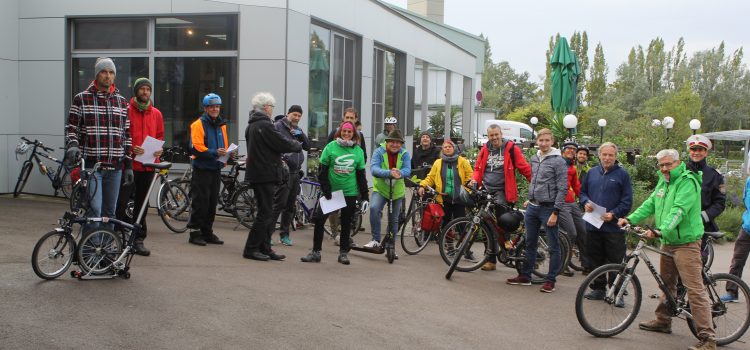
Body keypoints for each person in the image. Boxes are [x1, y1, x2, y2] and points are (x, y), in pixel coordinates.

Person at [619, 149, 715, 350]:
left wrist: (660, 230)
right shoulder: (664, 180)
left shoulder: (687, 181)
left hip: (686, 243)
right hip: (668, 240)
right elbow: (650, 203)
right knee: (666, 283)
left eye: (667, 164)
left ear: (677, 162)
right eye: (661, 165)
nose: (664, 168)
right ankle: (663, 320)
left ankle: (708, 338)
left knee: (694, 289)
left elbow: (678, 210)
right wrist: (630, 219)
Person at [66, 57, 133, 231]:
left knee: (109, 213)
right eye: (104, 72)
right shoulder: (81, 99)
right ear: (97, 74)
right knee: (94, 211)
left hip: (115, 167)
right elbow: (71, 127)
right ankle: (89, 254)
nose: (107, 76)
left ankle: (105, 253)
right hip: (92, 166)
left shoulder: (122, 102)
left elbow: (126, 135)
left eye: (111, 73)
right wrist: (73, 144)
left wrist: (128, 165)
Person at [243, 92, 302, 261]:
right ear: (266, 107)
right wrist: (297, 144)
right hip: (264, 173)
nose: (272, 110)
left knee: (266, 211)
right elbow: (280, 142)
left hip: (259, 172)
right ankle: (252, 248)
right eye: (272, 107)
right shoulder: (264, 125)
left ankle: (264, 247)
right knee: (265, 212)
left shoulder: (252, 125)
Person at [506, 128, 567, 293]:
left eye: (547, 140)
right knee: (530, 243)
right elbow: (534, 180)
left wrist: (556, 211)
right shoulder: (534, 158)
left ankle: (550, 280)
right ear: (537, 142)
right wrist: (530, 196)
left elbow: (562, 188)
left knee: (553, 246)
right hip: (533, 206)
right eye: (541, 140)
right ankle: (526, 275)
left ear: (552, 142)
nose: (544, 143)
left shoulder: (558, 161)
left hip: (549, 208)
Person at [301, 121, 368, 264]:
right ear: (340, 132)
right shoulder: (330, 147)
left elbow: (361, 176)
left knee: (346, 223)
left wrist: (365, 197)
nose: (346, 134)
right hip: (332, 193)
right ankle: (315, 252)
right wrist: (326, 189)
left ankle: (343, 253)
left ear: (353, 134)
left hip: (349, 193)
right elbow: (322, 171)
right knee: (319, 220)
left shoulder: (358, 151)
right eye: (344, 131)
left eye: (349, 132)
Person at [469, 124, 531, 271]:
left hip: (503, 191)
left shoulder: (511, 149)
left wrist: (535, 183)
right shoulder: (485, 149)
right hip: (486, 190)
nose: (494, 138)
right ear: (488, 136)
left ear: (501, 134)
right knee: (486, 224)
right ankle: (490, 259)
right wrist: (474, 180)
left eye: (496, 134)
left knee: (503, 221)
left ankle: (508, 243)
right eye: (491, 135)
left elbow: (524, 167)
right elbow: (478, 168)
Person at [115, 77, 164, 256]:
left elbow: (159, 136)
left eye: (148, 89)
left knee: (142, 205)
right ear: (136, 91)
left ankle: (138, 239)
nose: (145, 92)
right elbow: (120, 135)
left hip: (148, 166)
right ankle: (116, 236)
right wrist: (130, 148)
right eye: (142, 89)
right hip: (130, 164)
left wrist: (159, 150)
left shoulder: (157, 113)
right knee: (121, 203)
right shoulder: (126, 111)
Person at [580, 142, 633, 300]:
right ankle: (598, 288)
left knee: (615, 260)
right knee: (595, 258)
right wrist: (585, 203)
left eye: (611, 155)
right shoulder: (592, 172)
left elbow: (627, 201)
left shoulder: (622, 174)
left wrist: (614, 214)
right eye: (604, 154)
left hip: (613, 226)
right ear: (599, 155)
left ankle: (617, 293)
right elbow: (582, 193)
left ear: (616, 156)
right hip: (593, 224)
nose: (607, 158)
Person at [187, 93, 230, 246]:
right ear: (205, 108)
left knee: (212, 202)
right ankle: (195, 233)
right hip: (202, 168)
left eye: (217, 106)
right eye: (211, 106)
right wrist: (215, 152)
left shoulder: (221, 124)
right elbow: (196, 148)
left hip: (215, 168)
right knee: (201, 201)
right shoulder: (198, 124)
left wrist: (226, 154)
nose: (214, 109)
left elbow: (223, 145)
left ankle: (207, 231)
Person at [326, 107, 367, 245]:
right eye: (347, 117)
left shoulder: (360, 136)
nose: (349, 120)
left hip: (352, 179)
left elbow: (364, 156)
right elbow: (327, 154)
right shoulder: (335, 133)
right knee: (333, 208)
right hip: (335, 179)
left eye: (352, 118)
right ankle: (334, 233)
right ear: (343, 118)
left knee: (349, 210)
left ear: (356, 119)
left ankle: (346, 235)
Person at [270, 105, 310, 246]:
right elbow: (272, 146)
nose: (297, 118)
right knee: (278, 204)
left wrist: (300, 135)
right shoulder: (278, 126)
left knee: (290, 206)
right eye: (294, 114)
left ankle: (284, 235)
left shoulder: (297, 129)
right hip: (284, 172)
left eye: (299, 116)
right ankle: (268, 234)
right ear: (288, 114)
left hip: (295, 173)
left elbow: (307, 146)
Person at [366, 129, 411, 248]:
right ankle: (375, 239)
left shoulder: (404, 153)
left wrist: (399, 173)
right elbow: (374, 169)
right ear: (387, 142)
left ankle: (390, 245)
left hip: (397, 191)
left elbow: (407, 170)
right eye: (392, 142)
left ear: (401, 144)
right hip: (381, 189)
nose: (395, 145)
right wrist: (389, 173)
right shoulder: (379, 152)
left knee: (394, 219)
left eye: (398, 142)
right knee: (374, 209)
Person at [685, 135, 726, 258]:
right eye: (693, 149)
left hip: (702, 228)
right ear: (689, 151)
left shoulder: (715, 175)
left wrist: (702, 217)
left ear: (706, 152)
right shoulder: (680, 171)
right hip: (680, 224)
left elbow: (719, 203)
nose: (696, 153)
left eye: (700, 150)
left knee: (697, 268)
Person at [418, 139, 473, 227]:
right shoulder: (438, 163)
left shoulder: (462, 161)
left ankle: (462, 239)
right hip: (443, 197)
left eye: (450, 147)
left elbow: (470, 176)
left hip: (459, 197)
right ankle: (446, 239)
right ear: (442, 149)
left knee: (460, 222)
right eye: (445, 147)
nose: (447, 148)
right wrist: (422, 185)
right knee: (445, 222)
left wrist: (465, 190)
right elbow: (430, 177)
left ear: (454, 148)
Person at [558, 139, 589, 276]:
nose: (571, 150)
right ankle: (562, 264)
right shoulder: (557, 164)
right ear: (563, 150)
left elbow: (577, 187)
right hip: (560, 203)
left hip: (572, 203)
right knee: (571, 233)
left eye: (573, 149)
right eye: (568, 148)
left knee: (583, 230)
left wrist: (586, 201)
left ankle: (587, 264)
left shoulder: (571, 167)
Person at [722, 175, 750, 302]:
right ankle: (732, 292)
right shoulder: (749, 181)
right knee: (737, 261)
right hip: (747, 229)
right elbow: (746, 201)